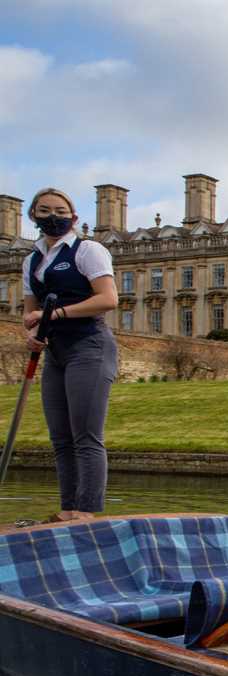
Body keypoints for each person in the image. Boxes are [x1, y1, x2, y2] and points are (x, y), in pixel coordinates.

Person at [21, 188, 119, 521]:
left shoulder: (88, 250)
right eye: (45, 210)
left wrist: (56, 316)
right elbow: (30, 311)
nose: (53, 216)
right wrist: (33, 334)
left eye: (60, 210)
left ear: (74, 217)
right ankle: (67, 510)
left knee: (86, 435)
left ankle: (86, 513)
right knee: (60, 437)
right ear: (32, 215)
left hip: (89, 345)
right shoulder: (31, 260)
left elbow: (107, 299)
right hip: (56, 353)